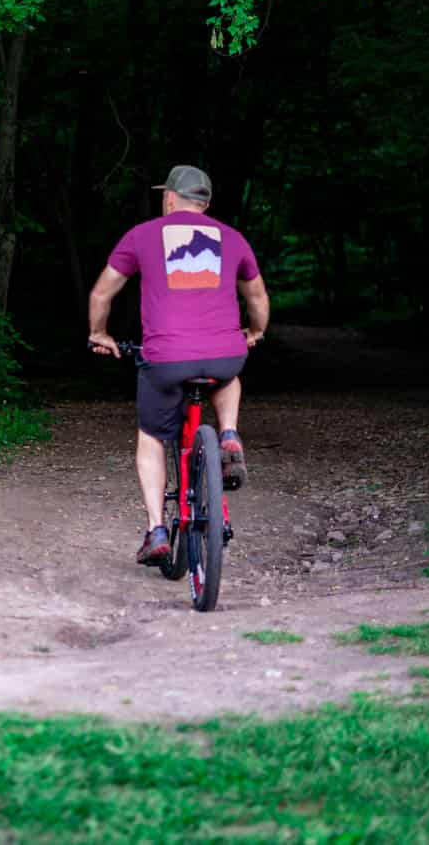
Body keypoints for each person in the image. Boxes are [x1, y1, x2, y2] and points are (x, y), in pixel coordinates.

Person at [87, 164, 270, 565]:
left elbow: (102, 293)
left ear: (170, 197)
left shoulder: (142, 235)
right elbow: (257, 297)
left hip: (166, 359)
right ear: (205, 203)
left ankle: (156, 530)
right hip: (224, 353)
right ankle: (228, 435)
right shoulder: (233, 239)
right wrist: (254, 332)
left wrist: (100, 334)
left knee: (151, 436)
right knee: (228, 373)